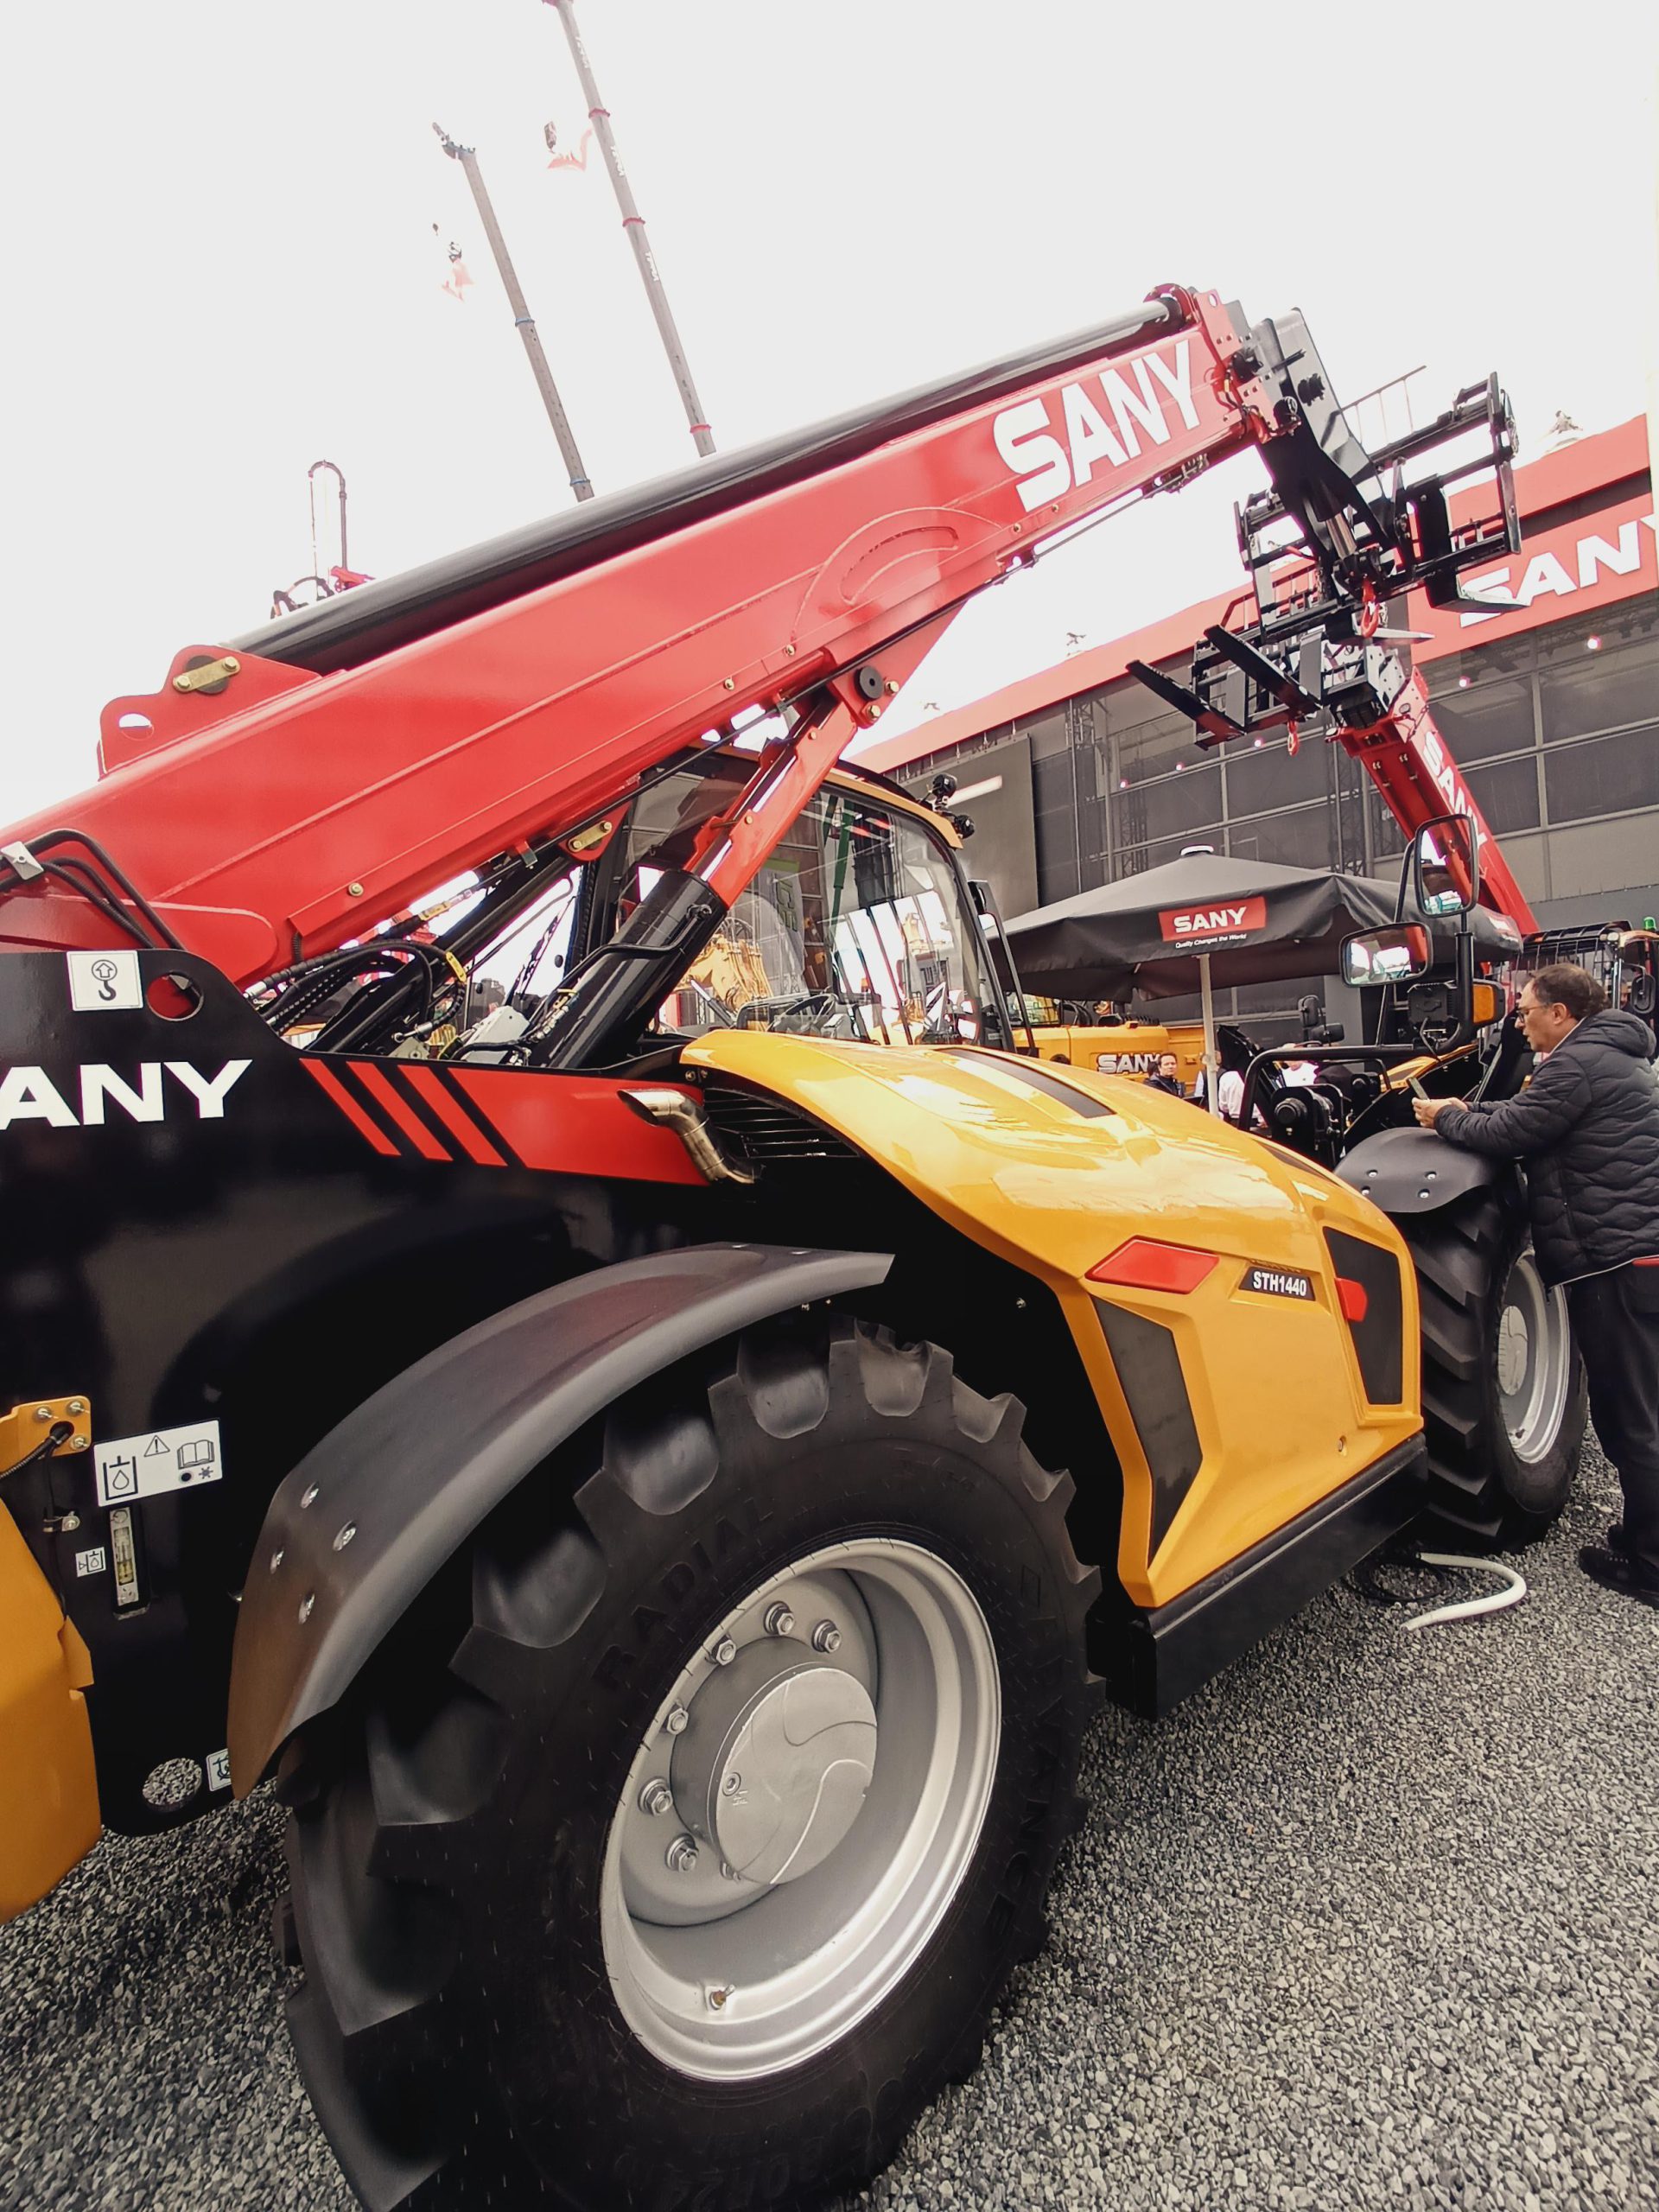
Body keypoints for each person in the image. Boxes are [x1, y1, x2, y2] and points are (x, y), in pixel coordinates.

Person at [1413, 963, 1659, 1609]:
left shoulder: (1575, 1067)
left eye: (1526, 1010)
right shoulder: (1612, 1059)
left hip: (1612, 1264)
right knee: (1645, 1406)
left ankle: (1650, 1563)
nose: (1518, 1021)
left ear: (1561, 1012)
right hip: (1637, 1258)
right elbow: (1529, 1115)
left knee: (1630, 1419)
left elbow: (1512, 1131)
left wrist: (1444, 1118)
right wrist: (1472, 1109)